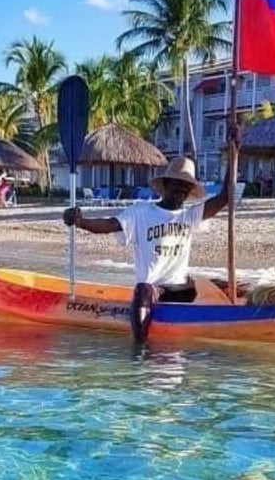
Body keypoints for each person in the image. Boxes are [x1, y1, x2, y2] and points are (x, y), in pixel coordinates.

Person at [63, 143, 237, 339]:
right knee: (143, 289)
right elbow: (109, 224)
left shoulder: (191, 215)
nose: (180, 190)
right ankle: (140, 350)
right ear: (165, 185)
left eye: (186, 187)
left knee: (215, 283)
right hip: (154, 290)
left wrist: (233, 153)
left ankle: (241, 316)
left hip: (180, 289)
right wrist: (80, 221)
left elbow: (225, 197)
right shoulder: (141, 213)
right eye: (176, 185)